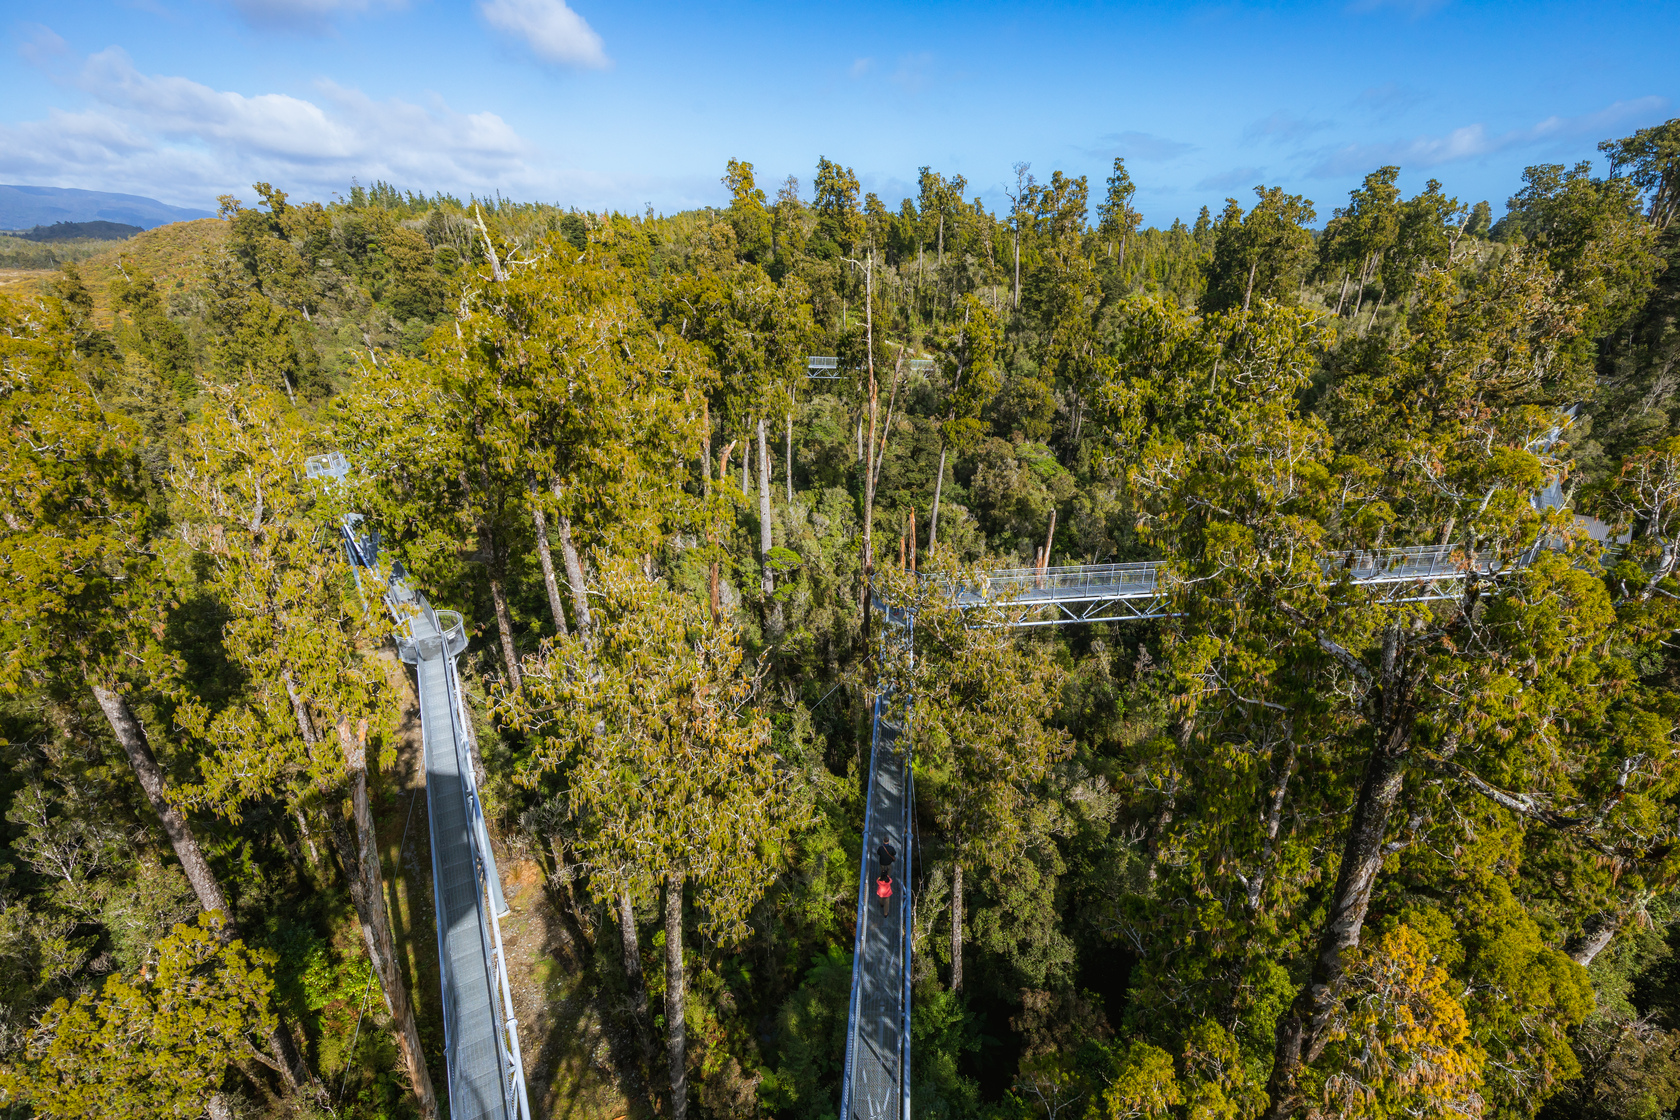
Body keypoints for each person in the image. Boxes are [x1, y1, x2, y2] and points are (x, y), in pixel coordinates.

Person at [876, 839, 897, 916]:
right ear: (888, 841)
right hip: (887, 893)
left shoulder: (879, 881)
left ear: (883, 841)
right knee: (887, 902)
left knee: (880, 898)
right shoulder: (889, 881)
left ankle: (881, 904)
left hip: (882, 863)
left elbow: (878, 853)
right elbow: (894, 853)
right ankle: (885, 913)